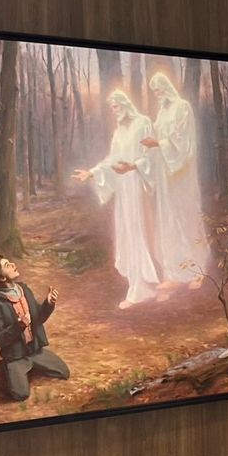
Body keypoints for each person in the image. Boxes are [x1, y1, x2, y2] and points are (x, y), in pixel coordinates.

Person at [73, 91, 163, 309]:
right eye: (111, 107)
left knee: (139, 231)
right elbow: (111, 160)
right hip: (124, 190)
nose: (114, 111)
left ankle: (142, 287)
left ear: (124, 103)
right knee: (127, 232)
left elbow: (151, 154)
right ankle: (138, 284)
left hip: (138, 185)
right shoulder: (119, 131)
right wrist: (92, 173)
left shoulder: (143, 123)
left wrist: (132, 167)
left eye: (115, 106)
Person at [140, 72, 210, 293]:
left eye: (160, 90)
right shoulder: (161, 112)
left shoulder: (183, 107)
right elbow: (159, 141)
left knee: (187, 218)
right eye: (155, 92)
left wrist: (158, 143)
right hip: (165, 176)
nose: (158, 95)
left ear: (167, 87)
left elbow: (183, 142)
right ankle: (174, 273)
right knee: (168, 221)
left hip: (182, 175)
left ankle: (197, 271)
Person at [0, 254, 71, 402]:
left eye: (10, 262)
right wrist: (19, 326)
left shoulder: (24, 289)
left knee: (64, 372)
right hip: (16, 355)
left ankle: (32, 365)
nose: (12, 265)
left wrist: (48, 304)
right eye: (7, 266)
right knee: (21, 394)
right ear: (2, 278)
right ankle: (8, 366)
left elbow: (39, 318)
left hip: (34, 350)